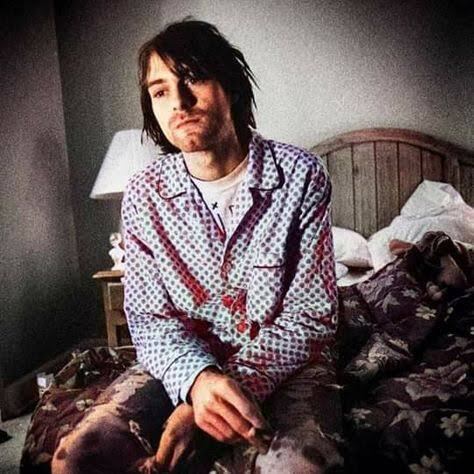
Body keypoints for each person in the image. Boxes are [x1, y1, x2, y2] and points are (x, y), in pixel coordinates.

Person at [52, 19, 342, 474]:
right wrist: (197, 381)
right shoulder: (144, 193)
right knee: (80, 456)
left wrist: (214, 397)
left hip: (284, 364)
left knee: (297, 467)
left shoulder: (300, 176)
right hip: (183, 360)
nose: (180, 102)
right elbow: (149, 319)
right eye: (161, 91)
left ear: (232, 86)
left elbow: (312, 316)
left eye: (193, 79)